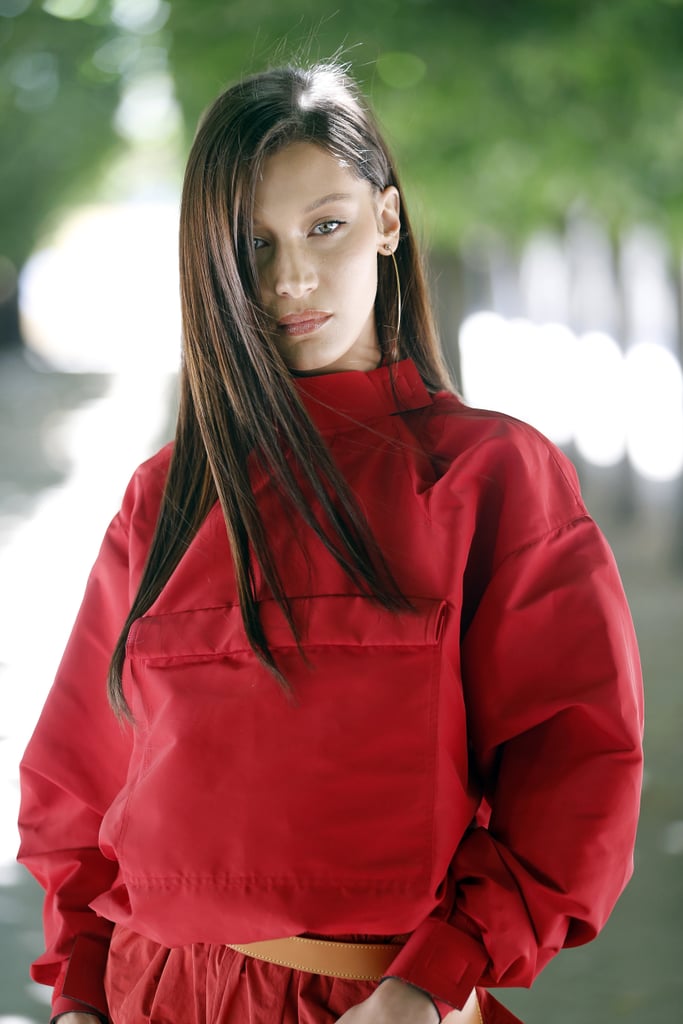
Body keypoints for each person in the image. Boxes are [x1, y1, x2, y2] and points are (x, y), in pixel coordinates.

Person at [17, 61, 643, 1024]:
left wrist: (426, 988)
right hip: (152, 998)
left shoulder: (488, 477)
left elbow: (576, 768)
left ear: (386, 221)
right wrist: (77, 995)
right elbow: (75, 783)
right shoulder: (167, 496)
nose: (291, 279)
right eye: (252, 244)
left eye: (326, 226)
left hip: (374, 1004)